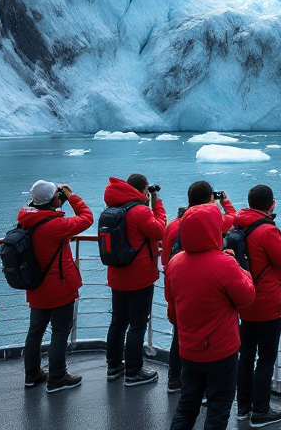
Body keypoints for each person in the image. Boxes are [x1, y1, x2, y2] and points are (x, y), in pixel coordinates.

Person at [165, 204, 256, 430]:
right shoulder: (224, 263)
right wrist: (239, 267)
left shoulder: (175, 262)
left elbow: (172, 308)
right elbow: (247, 297)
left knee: (186, 406)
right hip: (221, 350)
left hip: (189, 348)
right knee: (218, 408)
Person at [162, 180, 237, 393]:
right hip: (207, 286)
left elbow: (165, 259)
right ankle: (205, 389)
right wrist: (226, 202)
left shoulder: (173, 225)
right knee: (208, 336)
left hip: (179, 285)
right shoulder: (214, 222)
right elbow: (233, 219)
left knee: (180, 334)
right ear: (210, 199)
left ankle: (175, 378)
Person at [18, 179, 94, 393]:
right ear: (54, 200)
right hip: (59, 287)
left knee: (35, 331)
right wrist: (71, 196)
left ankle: (32, 374)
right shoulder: (55, 226)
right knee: (60, 331)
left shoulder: (26, 221)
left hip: (36, 286)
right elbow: (87, 218)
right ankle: (57, 377)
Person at [234, 184, 281, 427]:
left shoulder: (238, 226)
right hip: (267, 303)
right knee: (266, 359)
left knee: (246, 357)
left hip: (244, 299)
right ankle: (260, 410)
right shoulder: (267, 230)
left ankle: (243, 407)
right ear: (272, 204)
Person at [104, 172, 167, 387]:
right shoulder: (140, 211)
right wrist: (157, 205)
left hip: (117, 275)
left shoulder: (112, 209)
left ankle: (113, 366)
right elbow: (159, 231)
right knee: (138, 325)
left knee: (118, 322)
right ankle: (133, 372)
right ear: (144, 190)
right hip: (139, 277)